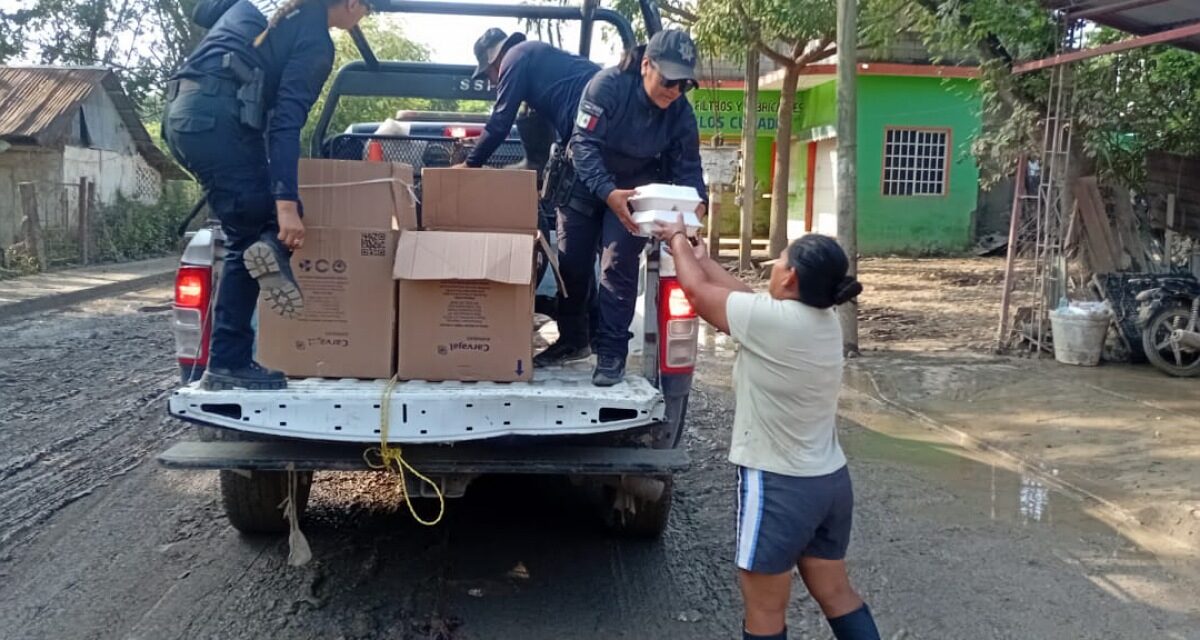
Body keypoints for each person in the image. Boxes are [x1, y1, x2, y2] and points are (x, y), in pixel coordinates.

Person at [653, 218, 878, 640]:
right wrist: (704, 260)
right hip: (828, 483)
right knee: (836, 593)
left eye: (780, 259)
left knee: (765, 611)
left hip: (779, 486)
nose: (773, 263)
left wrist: (677, 241)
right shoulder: (822, 320)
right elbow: (745, 298)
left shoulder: (773, 323)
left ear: (790, 276)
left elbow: (700, 296)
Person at [162, 0, 371, 391]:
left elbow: (202, 12)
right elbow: (286, 124)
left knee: (254, 222)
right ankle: (228, 363)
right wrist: (287, 207)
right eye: (368, 9)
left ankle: (270, 255)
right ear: (353, 3)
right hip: (219, 120)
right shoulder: (315, 41)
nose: (364, 17)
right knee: (261, 228)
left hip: (182, 114)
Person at [536, 28, 707, 386]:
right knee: (572, 269)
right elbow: (583, 145)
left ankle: (612, 354)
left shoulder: (680, 113)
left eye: (684, 84)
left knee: (618, 267)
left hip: (635, 196)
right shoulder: (606, 86)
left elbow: (688, 167)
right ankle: (573, 340)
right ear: (646, 65)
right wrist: (607, 191)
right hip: (585, 186)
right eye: (669, 80)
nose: (674, 90)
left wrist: (695, 207)